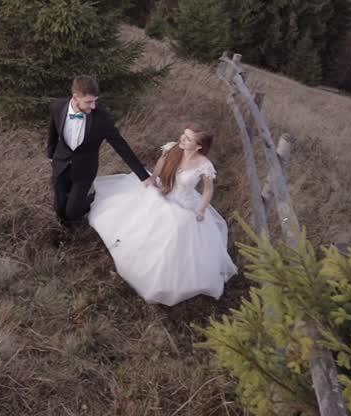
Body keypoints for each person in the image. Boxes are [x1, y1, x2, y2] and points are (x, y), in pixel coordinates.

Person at [87, 123, 238, 305]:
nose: (182, 138)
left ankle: (167, 276)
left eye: (188, 138)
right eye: (184, 134)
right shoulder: (173, 148)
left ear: (198, 146)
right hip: (163, 189)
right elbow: (161, 163)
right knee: (147, 207)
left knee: (177, 225)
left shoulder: (204, 165)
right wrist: (153, 177)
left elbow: (207, 190)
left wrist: (201, 209)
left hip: (185, 202)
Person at [46, 75, 152, 230]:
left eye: (95, 100)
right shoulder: (57, 106)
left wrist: (144, 176)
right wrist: (51, 156)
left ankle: (93, 201)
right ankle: (66, 234)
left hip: (84, 170)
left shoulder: (102, 118)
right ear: (75, 97)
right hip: (60, 164)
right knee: (59, 208)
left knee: (72, 211)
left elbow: (121, 146)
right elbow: (53, 132)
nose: (93, 106)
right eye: (89, 102)